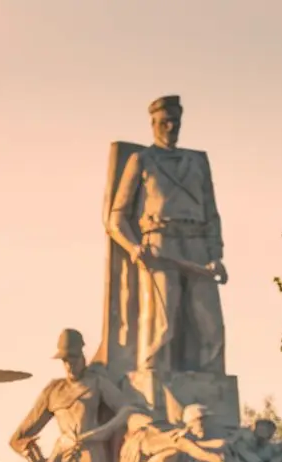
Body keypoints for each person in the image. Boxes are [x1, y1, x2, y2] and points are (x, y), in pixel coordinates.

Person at [105, 95, 227, 374]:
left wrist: (216, 255)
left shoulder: (197, 161)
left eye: (175, 121)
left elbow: (211, 213)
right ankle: (153, 381)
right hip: (160, 245)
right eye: (164, 122)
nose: (170, 128)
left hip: (197, 246)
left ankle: (209, 385)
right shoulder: (142, 160)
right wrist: (133, 247)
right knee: (163, 322)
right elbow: (116, 218)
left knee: (211, 324)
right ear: (153, 123)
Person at [10, 329, 138, 462]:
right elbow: (18, 438)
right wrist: (34, 457)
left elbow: (127, 409)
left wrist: (101, 432)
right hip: (63, 461)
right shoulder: (53, 390)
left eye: (74, 359)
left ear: (82, 356)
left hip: (93, 459)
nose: (70, 365)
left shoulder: (96, 382)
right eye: (65, 360)